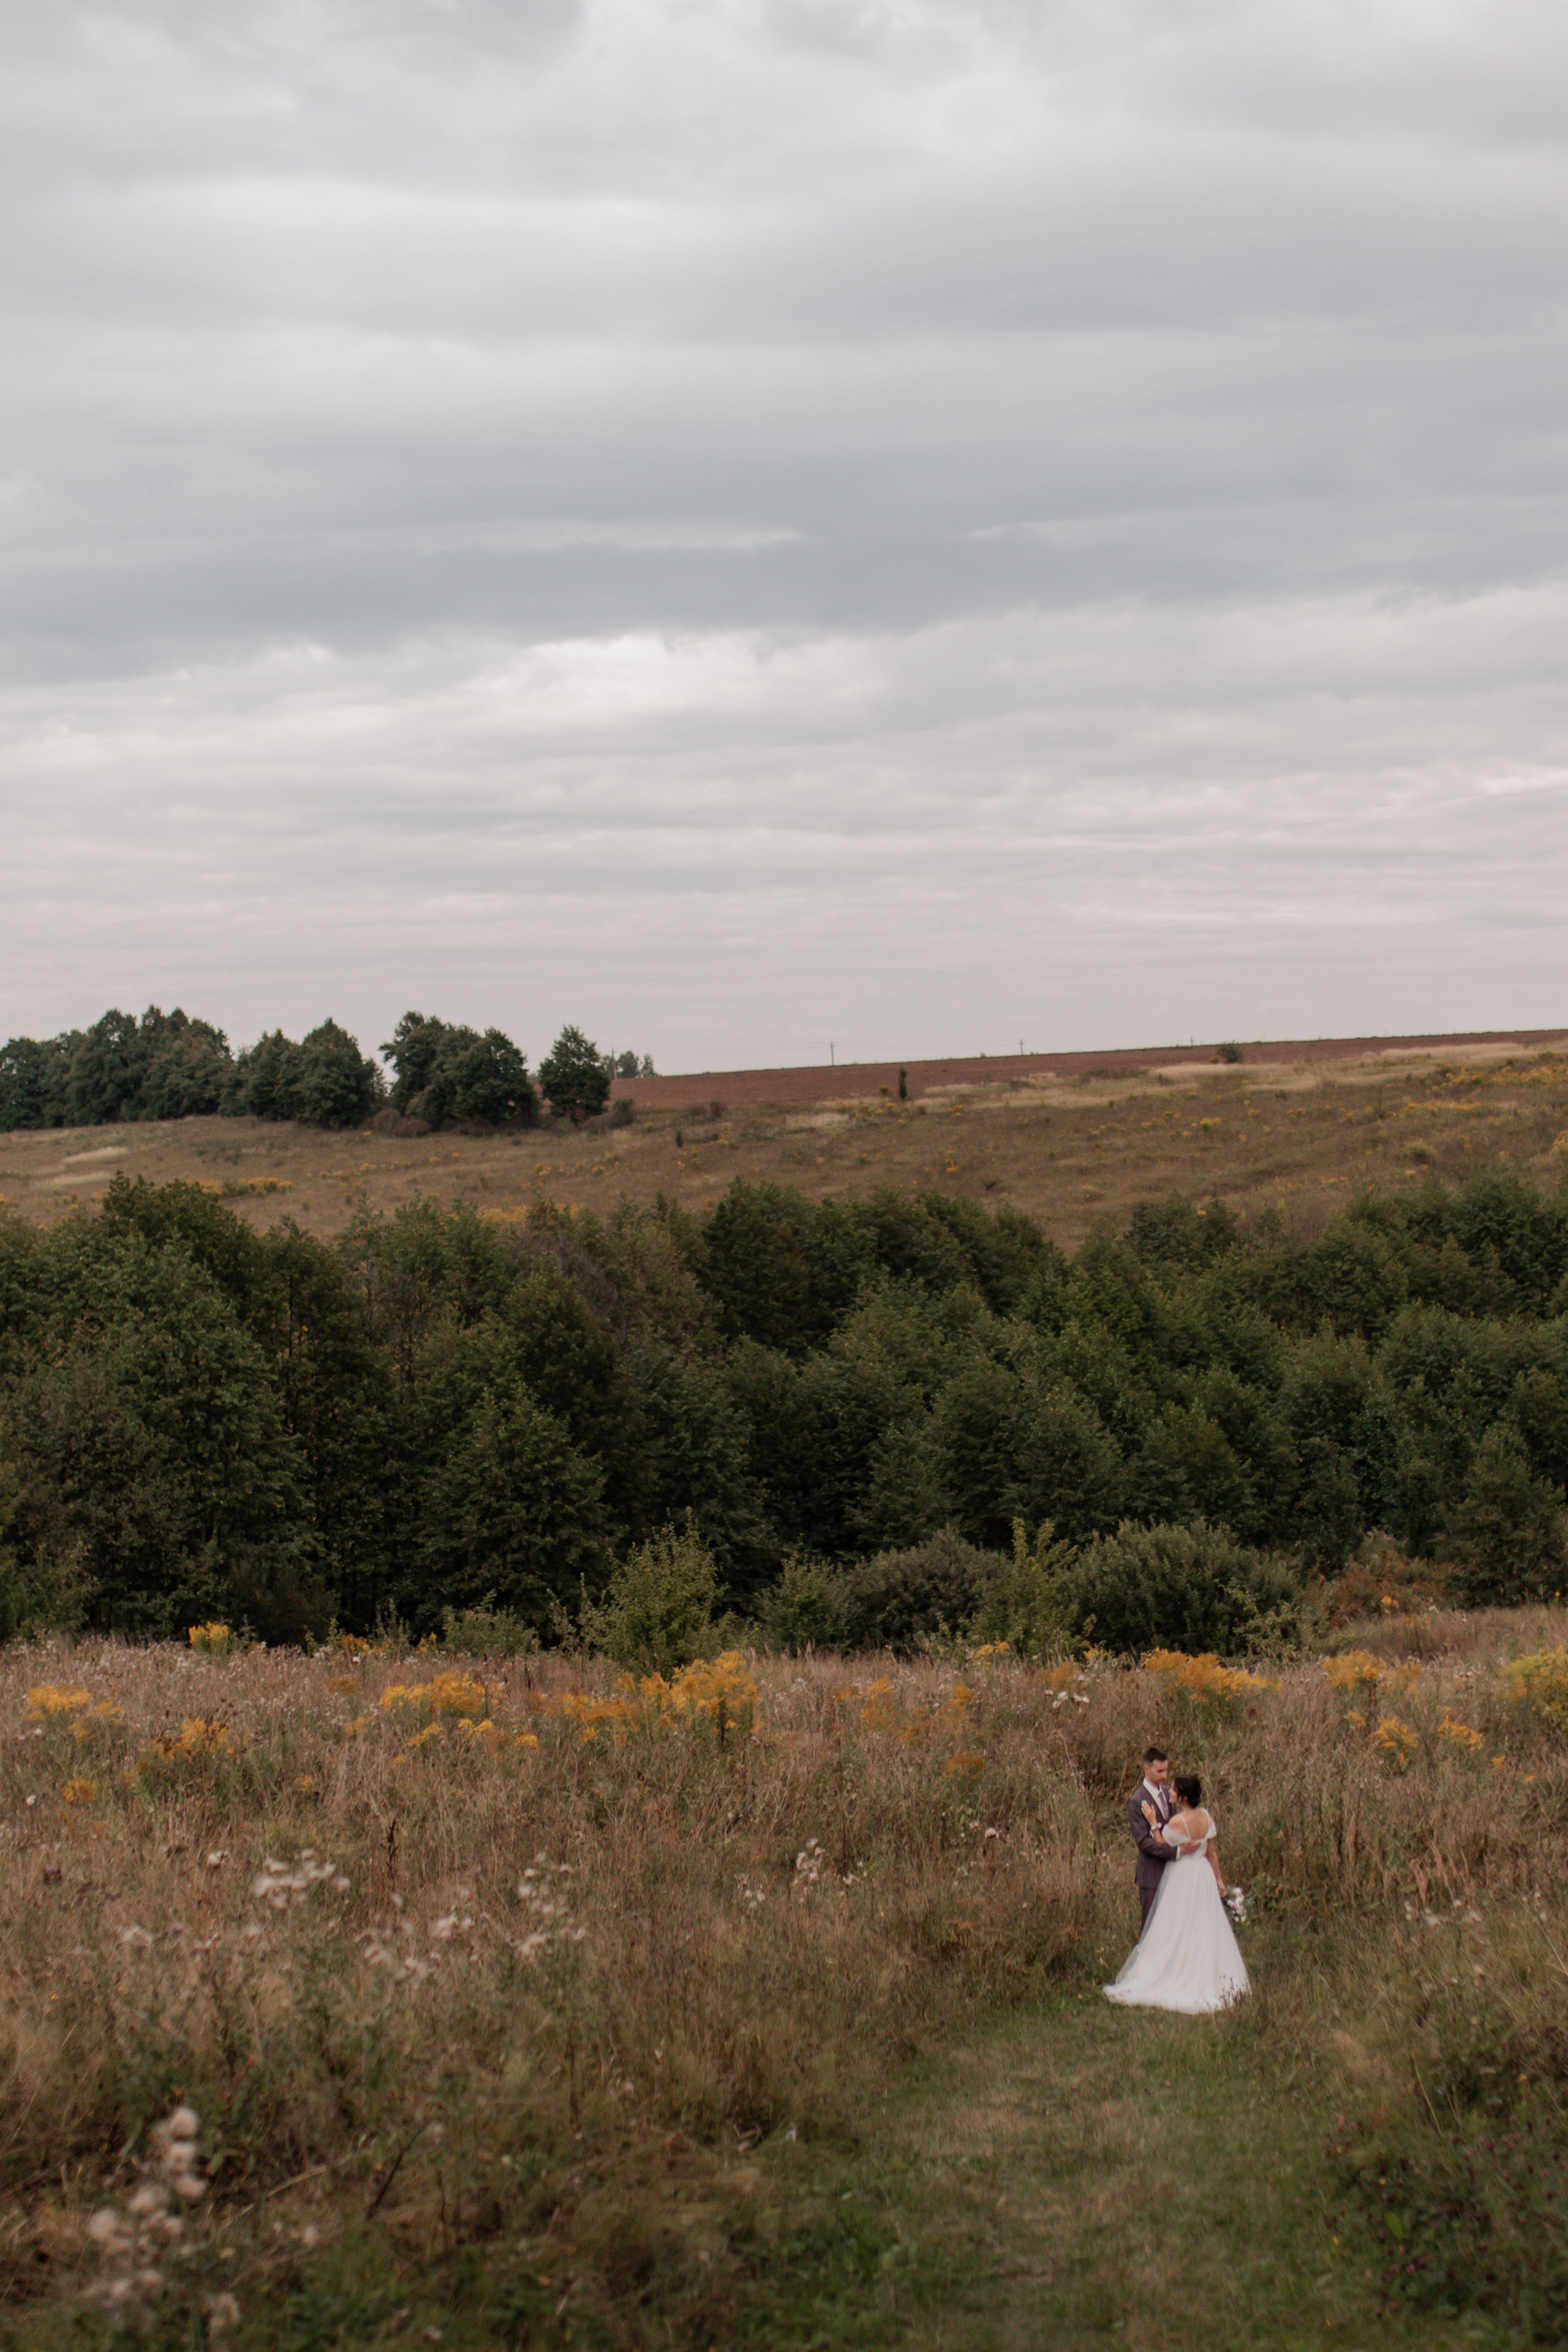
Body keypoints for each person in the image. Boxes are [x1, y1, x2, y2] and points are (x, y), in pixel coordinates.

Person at [1104, 1771, 1250, 2015]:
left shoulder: (1176, 1823)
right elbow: (1211, 1852)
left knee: (1177, 1924)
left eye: (1173, 1790)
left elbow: (1161, 1844)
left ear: (1181, 1797)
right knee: (1202, 1924)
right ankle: (1204, 1969)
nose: (1169, 1792)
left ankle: (1178, 1970)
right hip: (1202, 1874)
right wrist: (1219, 1880)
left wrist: (1152, 1821)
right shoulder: (1205, 1816)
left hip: (1182, 1875)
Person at [1125, 1746, 1183, 1934]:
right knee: (1151, 1930)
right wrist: (1175, 1853)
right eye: (1160, 1771)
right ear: (1146, 1769)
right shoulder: (1137, 1800)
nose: (1165, 1776)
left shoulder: (1169, 1793)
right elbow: (1143, 1842)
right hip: (1151, 1875)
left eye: (1166, 1770)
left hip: (1173, 1873)